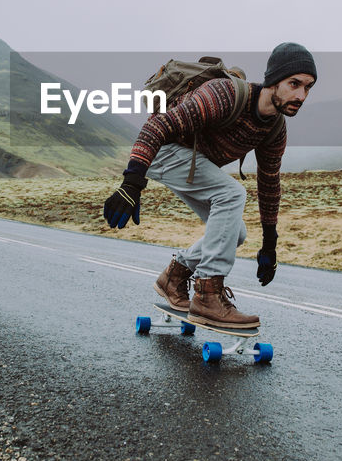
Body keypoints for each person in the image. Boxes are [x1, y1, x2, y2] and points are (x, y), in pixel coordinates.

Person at [102, 42, 316, 328]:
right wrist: (131, 184)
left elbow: (269, 184)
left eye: (308, 88)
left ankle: (174, 275)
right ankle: (208, 295)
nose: (301, 95)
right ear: (274, 79)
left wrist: (270, 244)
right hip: (165, 151)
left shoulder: (275, 129)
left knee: (234, 233)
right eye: (294, 84)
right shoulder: (224, 95)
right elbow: (156, 127)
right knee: (231, 195)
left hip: (191, 160)